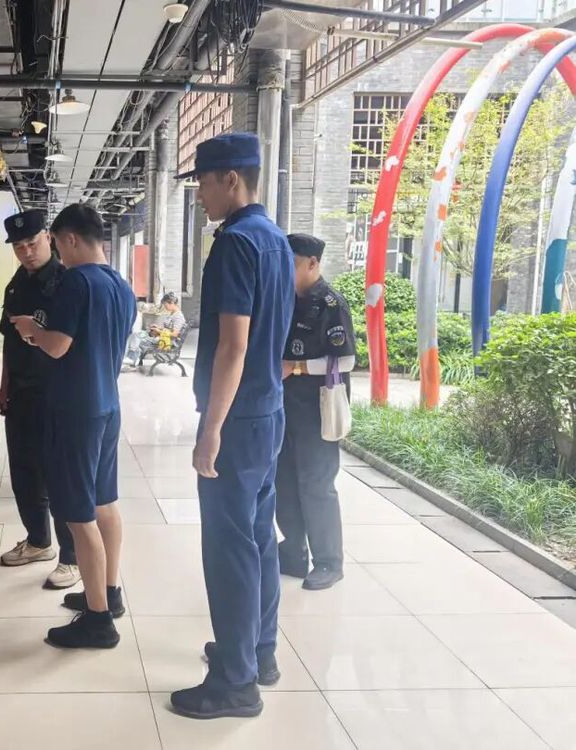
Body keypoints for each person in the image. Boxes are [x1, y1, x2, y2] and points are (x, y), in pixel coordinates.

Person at [170, 133, 294, 719]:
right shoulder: (276, 240)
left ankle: (235, 683)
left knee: (229, 548)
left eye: (202, 182)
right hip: (268, 412)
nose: (199, 195)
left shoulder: (235, 244)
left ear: (231, 180)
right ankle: (258, 653)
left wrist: (211, 428)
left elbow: (232, 345)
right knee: (259, 538)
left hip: (238, 420)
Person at [11, 203, 136, 649]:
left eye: (56, 244)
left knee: (78, 516)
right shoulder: (121, 284)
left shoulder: (76, 281)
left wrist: (31, 330)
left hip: (75, 411)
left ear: (69, 239)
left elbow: (58, 346)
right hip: (106, 406)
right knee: (105, 503)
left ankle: (98, 620)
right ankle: (109, 592)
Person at [0, 210, 80, 590]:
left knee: (58, 477)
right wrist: (4, 386)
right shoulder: (16, 285)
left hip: (56, 395)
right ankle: (38, 541)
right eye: (19, 247)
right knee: (24, 473)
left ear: (48, 238)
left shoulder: (67, 282)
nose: (27, 252)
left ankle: (71, 557)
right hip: (21, 394)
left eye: (32, 243)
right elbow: (11, 343)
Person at [277, 233, 356, 590]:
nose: (287, 271)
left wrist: (295, 367)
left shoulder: (330, 304)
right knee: (284, 482)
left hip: (317, 411)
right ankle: (293, 552)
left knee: (316, 485)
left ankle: (329, 562)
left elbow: (346, 360)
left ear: (313, 263)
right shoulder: (287, 299)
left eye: (293, 264)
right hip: (285, 408)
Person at [124, 292, 187, 367]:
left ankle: (131, 359)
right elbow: (169, 329)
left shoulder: (178, 317)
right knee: (138, 334)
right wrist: (158, 328)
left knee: (137, 336)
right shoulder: (173, 313)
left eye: (165, 305)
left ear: (172, 303)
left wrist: (159, 331)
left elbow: (174, 334)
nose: (165, 307)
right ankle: (132, 358)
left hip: (166, 342)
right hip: (163, 338)